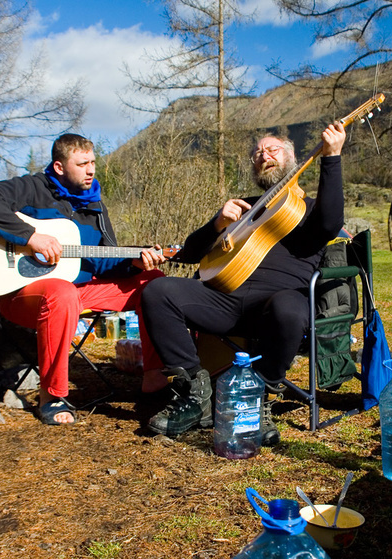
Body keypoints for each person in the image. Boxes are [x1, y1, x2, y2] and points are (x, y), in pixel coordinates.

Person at [140, 122, 347, 442]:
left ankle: (258, 399)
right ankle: (195, 394)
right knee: (158, 291)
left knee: (289, 308)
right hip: (223, 299)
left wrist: (331, 157)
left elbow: (332, 223)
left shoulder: (309, 209)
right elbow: (193, 252)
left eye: (272, 150)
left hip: (277, 307)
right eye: (257, 153)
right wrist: (217, 223)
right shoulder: (244, 207)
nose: (263, 156)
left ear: (293, 158)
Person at [0, 133, 167, 425]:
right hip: (24, 295)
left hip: (79, 291)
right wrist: (30, 236)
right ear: (59, 167)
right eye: (82, 163)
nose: (91, 170)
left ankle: (155, 379)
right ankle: (53, 395)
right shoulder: (31, 188)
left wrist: (133, 263)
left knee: (154, 282)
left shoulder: (94, 206)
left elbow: (103, 259)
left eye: (93, 162)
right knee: (61, 292)